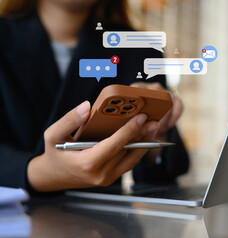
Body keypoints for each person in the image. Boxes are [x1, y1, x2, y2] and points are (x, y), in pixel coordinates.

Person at [0, 0, 189, 193]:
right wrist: (41, 172)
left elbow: (167, 172)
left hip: (105, 216)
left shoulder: (139, 49)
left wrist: (156, 131)